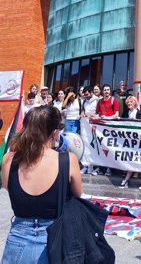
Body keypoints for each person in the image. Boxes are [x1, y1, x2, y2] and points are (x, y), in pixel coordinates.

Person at [1, 105, 81, 264]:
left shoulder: (8, 159)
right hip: (54, 238)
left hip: (18, 237)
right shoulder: (68, 159)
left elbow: (9, 187)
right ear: (54, 133)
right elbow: (78, 195)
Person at [92, 84, 119, 176]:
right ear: (102, 91)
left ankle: (110, 169)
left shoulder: (113, 100)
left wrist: (107, 118)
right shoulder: (99, 102)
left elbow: (116, 114)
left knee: (110, 149)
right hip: (101, 129)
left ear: (110, 91)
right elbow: (98, 114)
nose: (106, 91)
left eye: (108, 90)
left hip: (111, 129)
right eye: (105, 90)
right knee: (101, 148)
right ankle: (102, 169)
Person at [119, 96, 141, 188]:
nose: (129, 103)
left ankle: (126, 179)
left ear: (135, 103)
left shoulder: (138, 112)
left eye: (131, 102)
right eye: (128, 102)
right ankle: (131, 174)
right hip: (126, 138)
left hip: (135, 139)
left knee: (132, 156)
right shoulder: (125, 112)